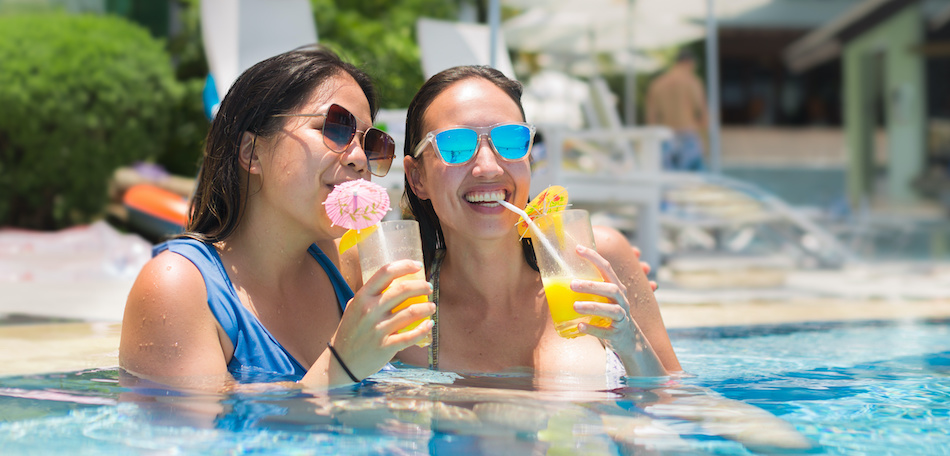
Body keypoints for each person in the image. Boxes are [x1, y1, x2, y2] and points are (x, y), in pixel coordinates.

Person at [119, 45, 435, 391]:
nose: (360, 158)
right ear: (251, 153)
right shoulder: (178, 286)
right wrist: (342, 364)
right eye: (336, 127)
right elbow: (203, 439)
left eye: (372, 142)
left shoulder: (339, 263)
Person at [396, 65, 681, 378]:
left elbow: (672, 406)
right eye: (456, 145)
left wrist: (629, 340)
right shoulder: (403, 306)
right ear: (417, 176)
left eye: (511, 140)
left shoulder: (596, 262)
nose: (488, 167)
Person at [646, 49, 708, 171]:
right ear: (689, 63)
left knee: (668, 182)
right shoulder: (692, 82)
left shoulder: (657, 83)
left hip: (666, 137)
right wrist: (705, 140)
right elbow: (702, 113)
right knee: (695, 185)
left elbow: (651, 118)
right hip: (688, 135)